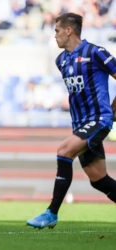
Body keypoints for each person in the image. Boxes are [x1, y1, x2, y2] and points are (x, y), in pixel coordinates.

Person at [26, 12, 116, 229]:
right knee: (98, 178)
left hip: (98, 119)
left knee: (64, 151)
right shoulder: (61, 60)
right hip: (79, 123)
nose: (54, 36)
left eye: (57, 31)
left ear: (69, 30)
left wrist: (113, 110)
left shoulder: (96, 52)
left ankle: (51, 213)